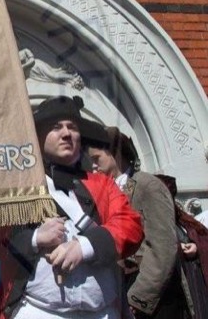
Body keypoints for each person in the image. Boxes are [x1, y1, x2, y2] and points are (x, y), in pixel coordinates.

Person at [0, 95, 143, 319]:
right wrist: (34, 238)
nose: (66, 133)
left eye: (72, 127)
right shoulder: (15, 186)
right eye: (56, 127)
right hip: (37, 310)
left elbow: (130, 225)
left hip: (101, 311)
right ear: (38, 136)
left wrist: (85, 246)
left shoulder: (102, 184)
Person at [86, 125, 182, 318]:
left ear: (115, 154)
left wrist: (137, 298)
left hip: (153, 298)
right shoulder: (103, 193)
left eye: (96, 159)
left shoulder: (147, 185)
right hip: (117, 291)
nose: (93, 167)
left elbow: (163, 247)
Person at [156, 175, 208, 319]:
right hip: (173, 292)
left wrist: (196, 247)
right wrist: (178, 249)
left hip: (194, 282)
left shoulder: (185, 221)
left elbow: (202, 238)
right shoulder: (150, 222)